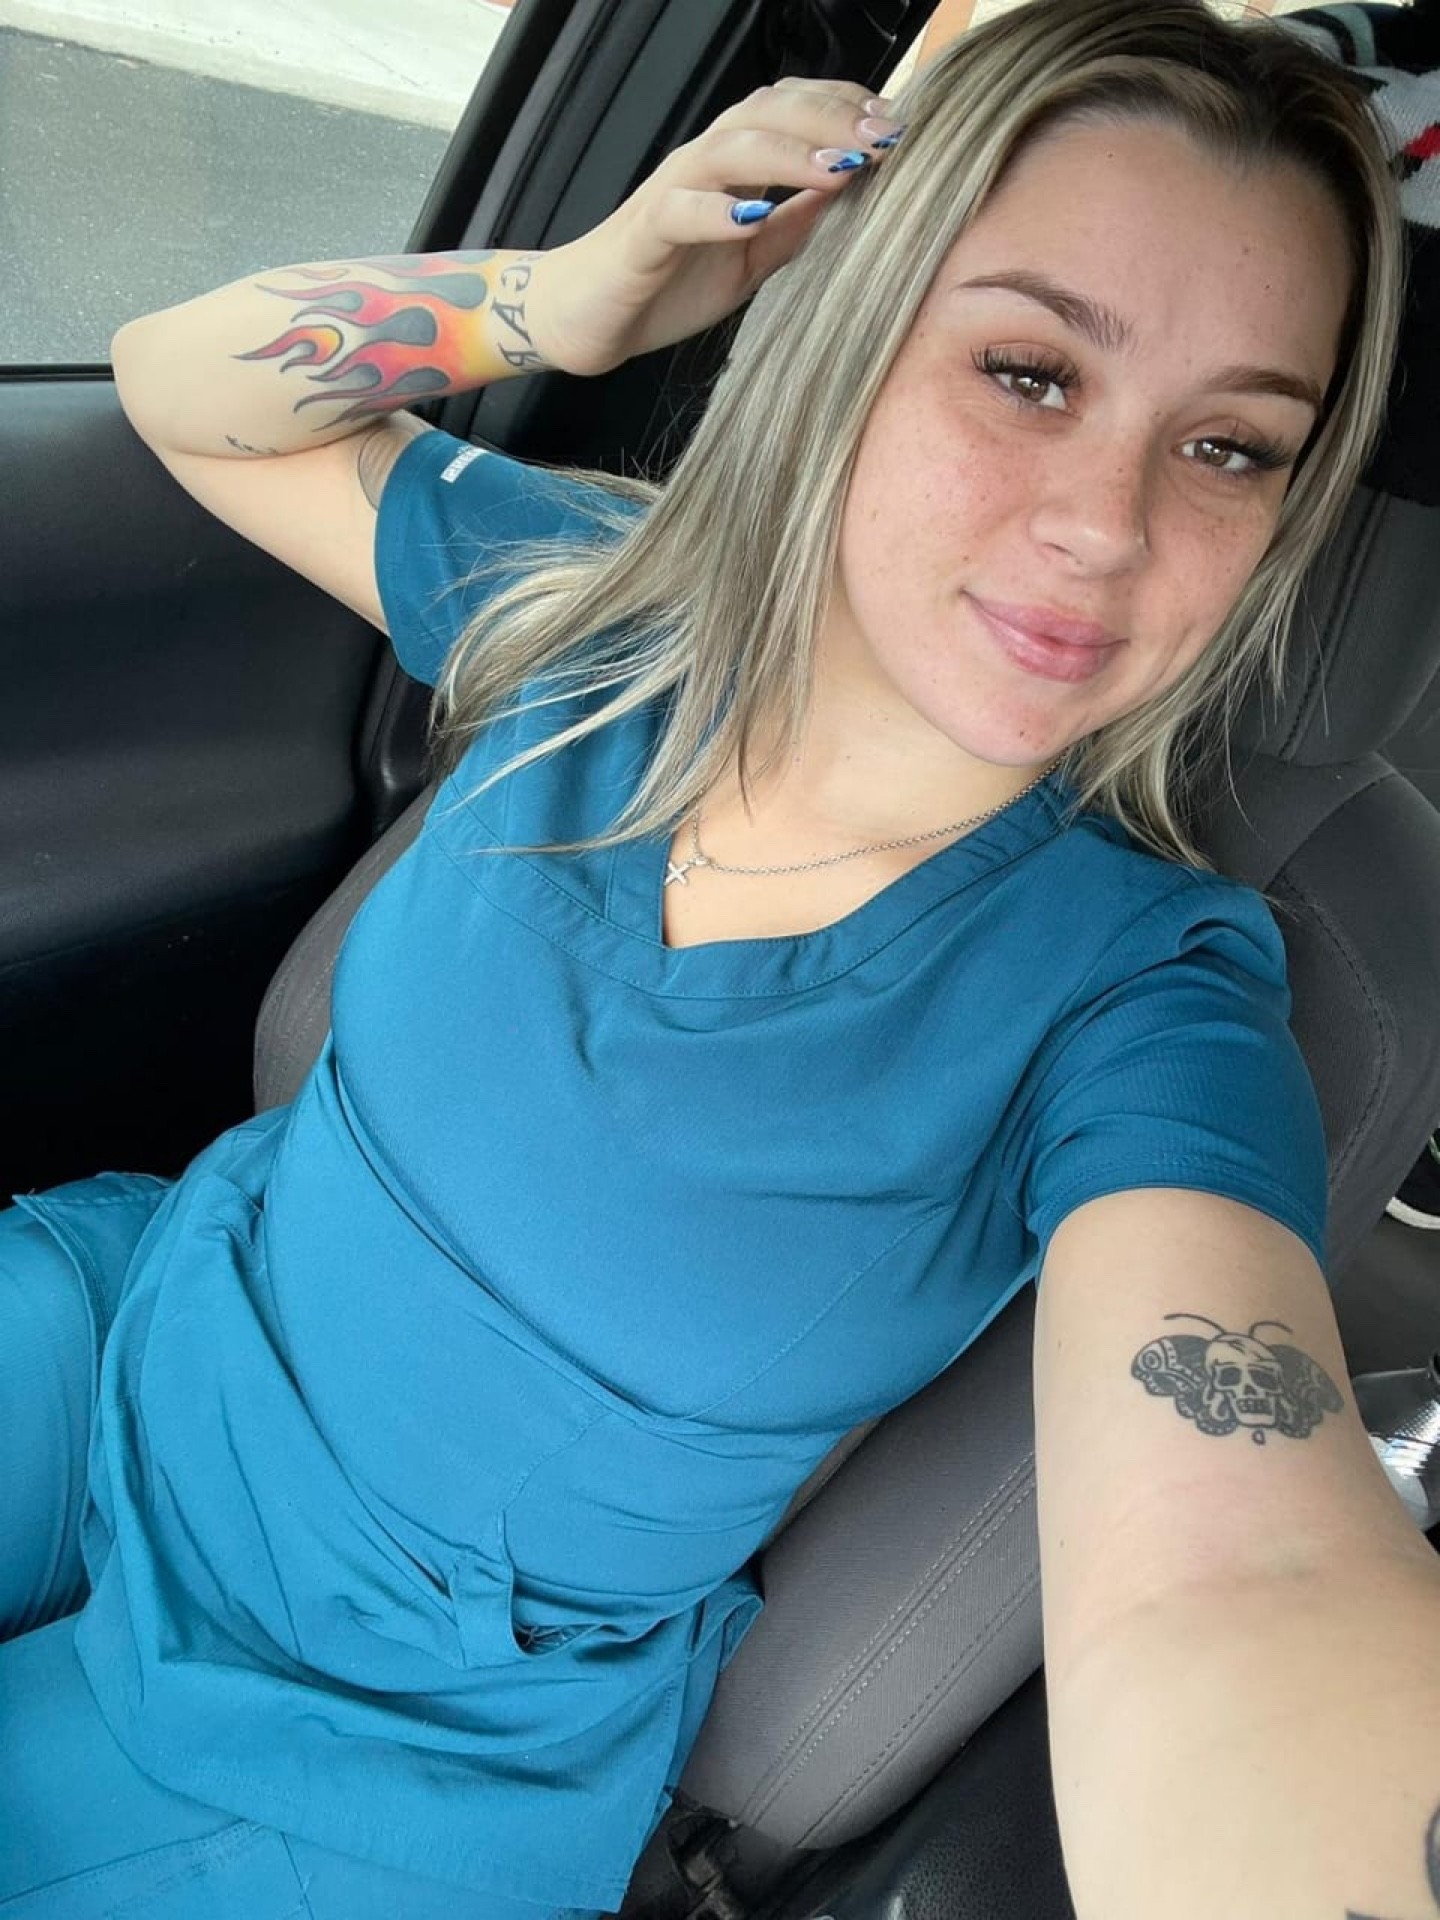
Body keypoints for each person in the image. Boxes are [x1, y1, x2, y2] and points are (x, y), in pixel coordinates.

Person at [4, 1, 1440, 1915]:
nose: (1108, 527)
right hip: (146, 1325)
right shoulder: (605, 611)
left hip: (383, 1734)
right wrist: (571, 297)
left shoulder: (1146, 996)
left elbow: (1243, 1563)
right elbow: (180, 379)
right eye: (1029, 371)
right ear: (852, 335)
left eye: (1231, 446)